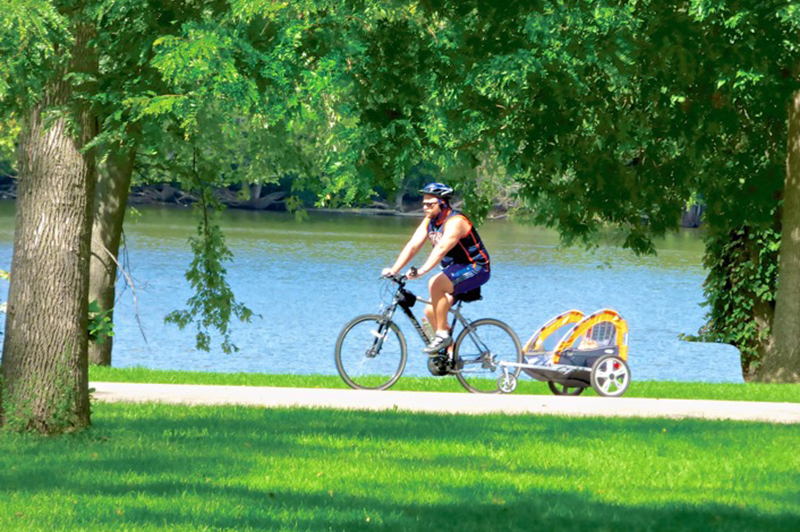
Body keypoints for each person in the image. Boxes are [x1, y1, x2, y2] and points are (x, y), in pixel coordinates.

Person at [382, 182, 491, 354]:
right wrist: (394, 270)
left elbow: (441, 249)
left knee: (435, 283)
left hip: (477, 268)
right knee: (430, 310)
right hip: (455, 269)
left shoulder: (456, 222)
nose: (425, 207)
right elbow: (413, 245)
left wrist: (422, 271)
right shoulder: (430, 221)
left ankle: (441, 335)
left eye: (429, 204)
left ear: (443, 203)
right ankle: (450, 356)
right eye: (423, 203)